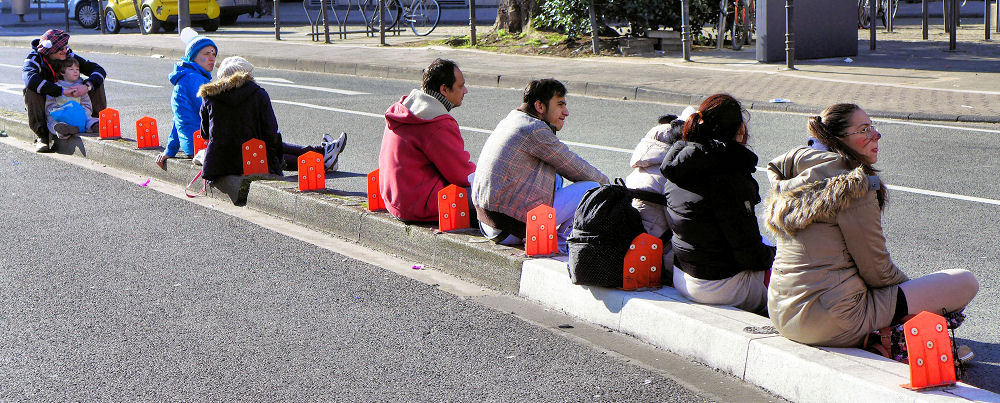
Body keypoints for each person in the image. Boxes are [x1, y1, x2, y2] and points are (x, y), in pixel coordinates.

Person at [764, 103, 978, 349]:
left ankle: (890, 335)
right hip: (832, 319)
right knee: (964, 282)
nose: (876, 135)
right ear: (838, 139)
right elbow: (877, 270)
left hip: (784, 313)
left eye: (873, 127)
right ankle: (893, 341)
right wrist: (914, 294)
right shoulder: (851, 185)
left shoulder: (796, 176)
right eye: (864, 129)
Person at [659, 94, 774, 313]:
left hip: (682, 276)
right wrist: (776, 254)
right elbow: (749, 254)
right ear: (740, 130)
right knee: (791, 268)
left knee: (762, 241)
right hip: (717, 287)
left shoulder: (681, 165)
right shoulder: (728, 178)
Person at [472, 78, 609, 253]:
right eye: (560, 105)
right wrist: (610, 188)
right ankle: (560, 243)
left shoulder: (513, 119)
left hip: (489, 224)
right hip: (510, 228)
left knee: (556, 177)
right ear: (540, 106)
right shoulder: (534, 129)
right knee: (592, 188)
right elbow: (575, 166)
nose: (565, 112)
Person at [198, 56, 347, 182]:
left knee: (262, 146)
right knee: (267, 147)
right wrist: (276, 161)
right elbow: (272, 134)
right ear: (246, 75)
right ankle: (321, 158)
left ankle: (322, 154)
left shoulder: (209, 97)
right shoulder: (258, 94)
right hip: (252, 161)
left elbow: (205, 134)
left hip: (219, 164)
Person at [378, 58, 476, 222]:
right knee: (491, 195)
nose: (465, 91)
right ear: (444, 89)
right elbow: (462, 174)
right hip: (421, 204)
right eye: (460, 86)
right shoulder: (436, 123)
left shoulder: (404, 109)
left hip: (394, 200)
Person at [623, 107, 694, 283]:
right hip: (657, 258)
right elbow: (683, 228)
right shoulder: (671, 174)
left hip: (632, 246)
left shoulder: (643, 165)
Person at [22, 29, 107, 153]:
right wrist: (60, 91)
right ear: (48, 49)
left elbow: (98, 69)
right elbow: (30, 79)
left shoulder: (68, 54)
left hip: (77, 101)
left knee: (96, 82)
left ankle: (97, 124)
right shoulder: (34, 58)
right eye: (59, 48)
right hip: (51, 104)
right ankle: (43, 136)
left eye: (65, 46)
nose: (64, 50)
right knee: (30, 90)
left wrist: (86, 86)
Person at [156, 28, 217, 169]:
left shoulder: (186, 78)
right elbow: (213, 114)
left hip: (192, 145)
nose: (212, 58)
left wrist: (170, 150)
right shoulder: (194, 80)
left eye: (213, 53)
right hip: (202, 145)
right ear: (193, 57)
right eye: (206, 54)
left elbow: (179, 119)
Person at [45, 58, 100, 138]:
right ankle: (65, 130)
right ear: (62, 72)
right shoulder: (56, 87)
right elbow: (50, 105)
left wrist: (82, 114)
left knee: (89, 120)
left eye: (77, 69)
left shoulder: (80, 87)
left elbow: (86, 104)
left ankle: (95, 126)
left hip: (79, 115)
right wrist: (60, 113)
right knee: (55, 123)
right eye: (71, 69)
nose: (75, 71)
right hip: (62, 116)